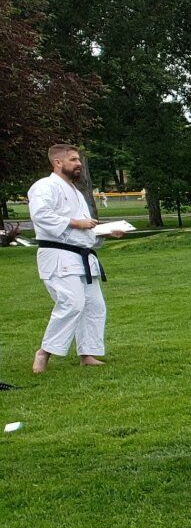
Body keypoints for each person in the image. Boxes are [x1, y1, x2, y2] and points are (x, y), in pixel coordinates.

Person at [30, 143, 122, 374]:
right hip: (58, 256)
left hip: (82, 257)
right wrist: (75, 222)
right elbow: (41, 216)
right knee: (71, 303)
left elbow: (84, 231)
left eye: (78, 159)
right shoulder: (44, 186)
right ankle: (44, 353)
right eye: (72, 159)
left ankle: (87, 353)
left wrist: (105, 232)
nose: (78, 163)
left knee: (94, 306)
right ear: (57, 162)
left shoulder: (77, 193)